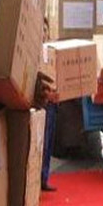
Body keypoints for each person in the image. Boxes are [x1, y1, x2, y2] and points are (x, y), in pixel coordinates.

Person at [36, 18, 58, 192]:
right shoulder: (34, 53)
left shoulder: (51, 52)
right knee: (40, 143)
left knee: (49, 142)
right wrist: (44, 94)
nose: (43, 33)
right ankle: (36, 180)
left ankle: (44, 177)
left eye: (45, 30)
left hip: (53, 103)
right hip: (40, 104)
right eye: (41, 29)